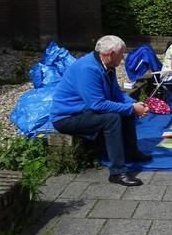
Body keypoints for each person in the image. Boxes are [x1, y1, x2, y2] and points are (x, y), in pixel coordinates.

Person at [50, 36, 151, 187]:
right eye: (122, 54)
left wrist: (134, 104)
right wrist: (131, 108)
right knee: (112, 118)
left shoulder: (108, 66)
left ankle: (131, 153)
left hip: (85, 110)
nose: (123, 58)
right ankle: (117, 172)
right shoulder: (88, 69)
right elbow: (97, 104)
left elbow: (117, 94)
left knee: (126, 111)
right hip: (67, 116)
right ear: (111, 54)